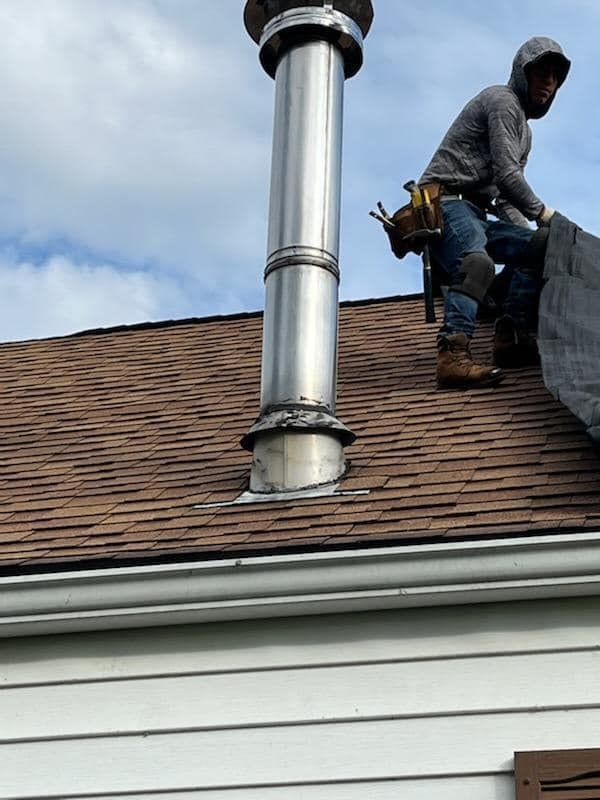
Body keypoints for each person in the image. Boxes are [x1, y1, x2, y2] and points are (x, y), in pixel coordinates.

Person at [419, 37, 571, 389]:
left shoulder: (525, 133)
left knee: (543, 246)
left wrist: (537, 237)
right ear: (521, 72)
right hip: (444, 203)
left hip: (475, 211)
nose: (548, 82)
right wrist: (546, 215)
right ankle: (452, 356)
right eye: (540, 72)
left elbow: (504, 197)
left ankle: (511, 336)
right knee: (478, 264)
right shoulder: (501, 101)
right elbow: (507, 174)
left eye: (554, 77)